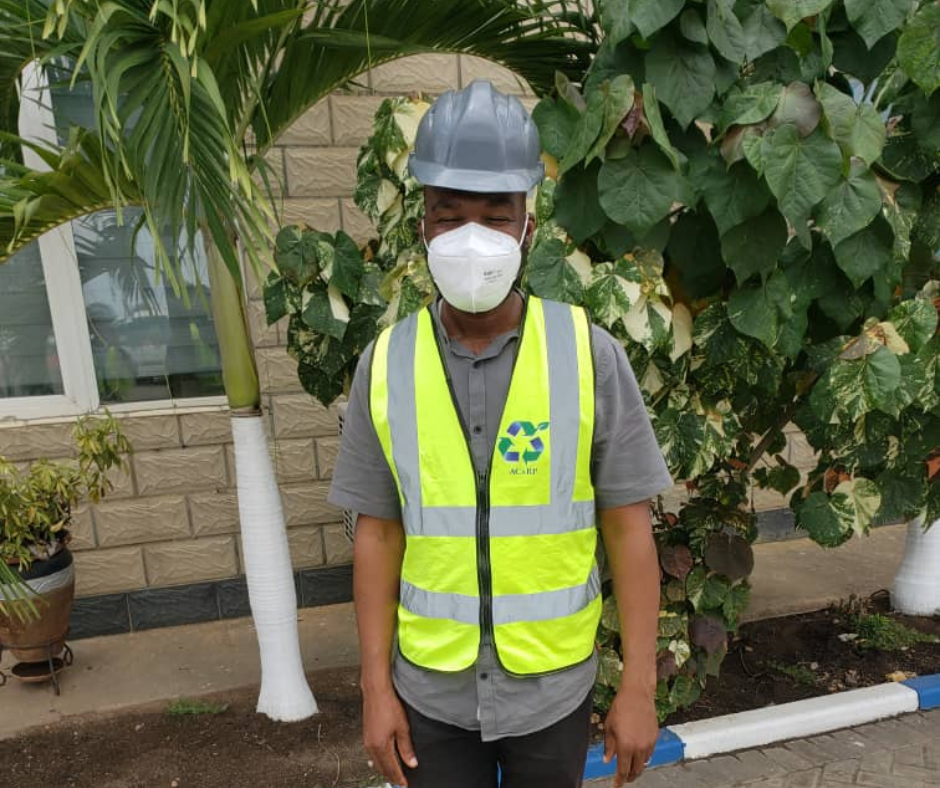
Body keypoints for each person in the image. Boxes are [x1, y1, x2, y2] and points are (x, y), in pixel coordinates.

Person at [328, 80, 672, 788]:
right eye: (448, 215)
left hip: (552, 691)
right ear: (421, 226)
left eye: (495, 213)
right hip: (431, 695)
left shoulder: (588, 355)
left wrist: (639, 686)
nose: (471, 236)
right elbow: (378, 533)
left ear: (528, 229)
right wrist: (374, 689)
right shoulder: (386, 363)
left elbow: (629, 527)